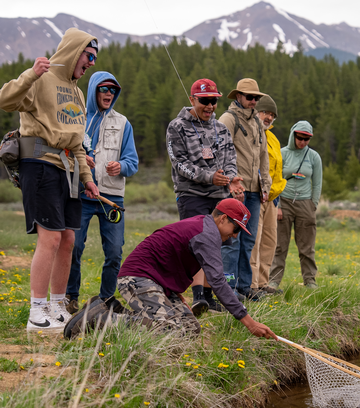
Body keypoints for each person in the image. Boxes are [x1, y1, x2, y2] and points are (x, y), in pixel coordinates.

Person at [0, 28, 100, 333]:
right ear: (73, 51)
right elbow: (5, 99)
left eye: (94, 58)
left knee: (68, 239)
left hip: (68, 169)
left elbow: (78, 143)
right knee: (51, 237)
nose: (91, 63)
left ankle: (57, 307)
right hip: (39, 164)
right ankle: (36, 311)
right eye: (89, 56)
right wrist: (30, 74)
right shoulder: (41, 78)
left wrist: (87, 178)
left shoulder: (79, 93)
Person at [116, 198, 277, 340]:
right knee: (168, 329)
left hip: (157, 281)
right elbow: (218, 282)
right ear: (223, 219)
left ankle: (119, 311)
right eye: (236, 229)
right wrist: (250, 323)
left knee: (190, 329)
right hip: (136, 278)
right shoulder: (206, 234)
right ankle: (103, 318)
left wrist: (174, 294)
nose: (235, 235)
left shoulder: (205, 226)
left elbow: (170, 257)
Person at [166, 78, 244, 315]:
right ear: (192, 100)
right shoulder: (176, 126)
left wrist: (230, 178)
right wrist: (209, 177)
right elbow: (179, 163)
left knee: (217, 245)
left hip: (220, 195)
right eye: (205, 101)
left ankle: (209, 297)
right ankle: (196, 295)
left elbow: (231, 158)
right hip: (191, 194)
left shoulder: (221, 128)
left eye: (213, 101)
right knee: (196, 244)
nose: (210, 106)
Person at [66, 71, 138, 313]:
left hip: (112, 198)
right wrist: (78, 158)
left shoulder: (123, 123)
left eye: (113, 90)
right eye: (104, 89)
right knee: (74, 247)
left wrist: (122, 166)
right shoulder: (77, 118)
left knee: (115, 252)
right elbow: (63, 151)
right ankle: (70, 297)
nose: (109, 94)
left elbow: (133, 162)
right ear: (93, 90)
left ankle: (106, 300)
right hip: (80, 194)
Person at [219, 78, 272, 300]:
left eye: (256, 98)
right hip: (236, 190)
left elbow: (263, 156)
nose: (253, 101)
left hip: (254, 190)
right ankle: (228, 288)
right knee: (232, 240)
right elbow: (219, 151)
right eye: (249, 97)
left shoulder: (257, 123)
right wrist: (231, 181)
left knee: (248, 239)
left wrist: (266, 184)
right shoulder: (228, 119)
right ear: (238, 96)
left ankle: (244, 287)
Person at [269, 121, 322, 289]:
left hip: (305, 203)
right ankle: (274, 280)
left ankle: (310, 280)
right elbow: (275, 179)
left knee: (307, 247)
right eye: (300, 138)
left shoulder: (314, 157)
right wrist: (276, 205)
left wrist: (313, 204)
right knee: (279, 245)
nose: (303, 142)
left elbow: (317, 183)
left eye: (307, 139)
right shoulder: (282, 153)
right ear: (293, 135)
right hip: (283, 202)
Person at [250, 95, 287, 294]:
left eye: (272, 115)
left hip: (272, 198)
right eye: (265, 112)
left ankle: (264, 283)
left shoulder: (272, 138)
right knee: (254, 241)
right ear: (256, 111)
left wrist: (277, 199)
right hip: (256, 194)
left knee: (269, 241)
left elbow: (276, 171)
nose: (269, 117)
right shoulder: (252, 132)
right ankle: (252, 284)